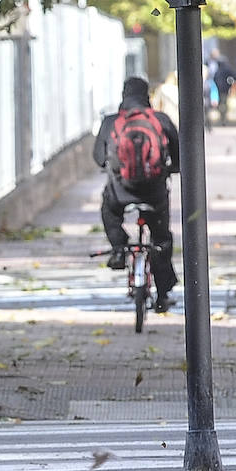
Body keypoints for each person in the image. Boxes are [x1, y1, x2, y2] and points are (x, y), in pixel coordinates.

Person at [92, 76, 180, 312]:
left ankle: (119, 248)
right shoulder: (160, 120)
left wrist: (113, 166)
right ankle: (163, 293)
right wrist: (171, 168)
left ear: (123, 95)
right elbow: (178, 153)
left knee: (109, 211)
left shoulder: (111, 122)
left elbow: (98, 158)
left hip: (121, 191)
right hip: (154, 192)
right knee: (161, 238)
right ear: (147, 96)